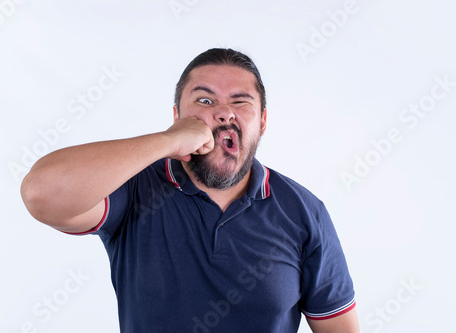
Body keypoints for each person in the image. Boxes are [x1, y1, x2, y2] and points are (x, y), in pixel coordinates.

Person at [21, 48, 359, 332]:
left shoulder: (304, 212)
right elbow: (41, 193)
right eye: (205, 99)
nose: (224, 112)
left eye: (240, 102)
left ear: (263, 122)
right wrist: (168, 141)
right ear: (178, 115)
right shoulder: (133, 186)